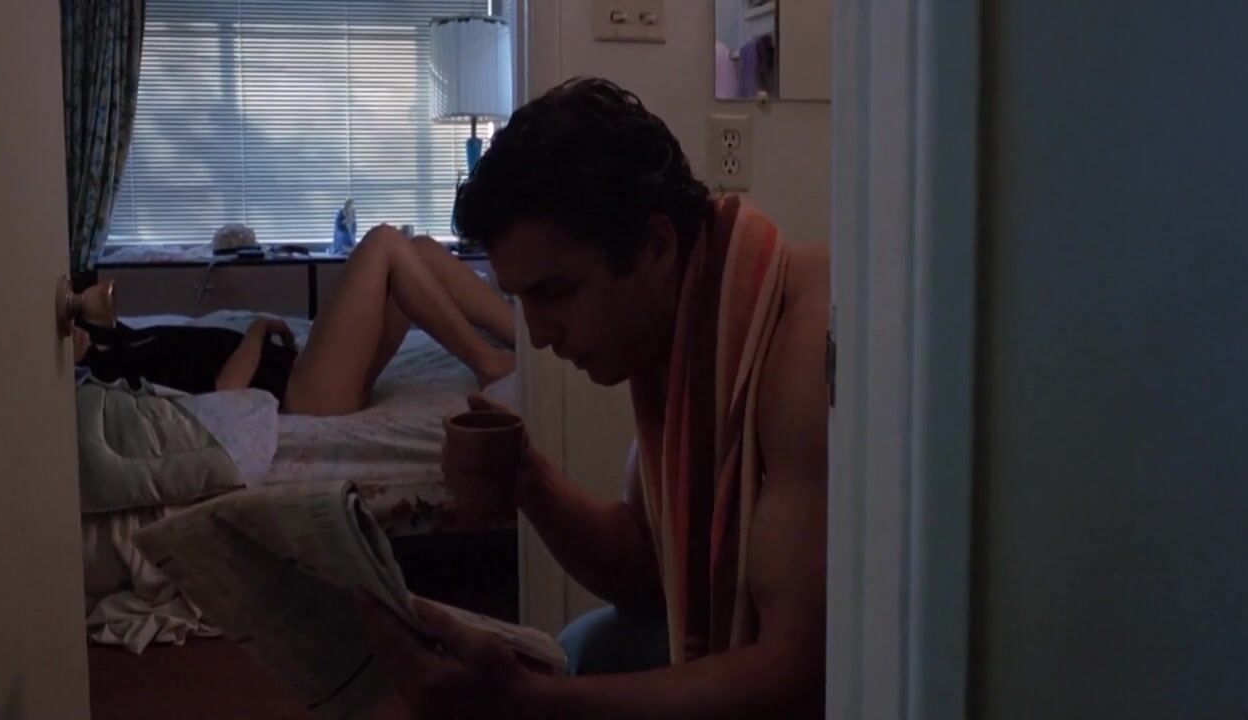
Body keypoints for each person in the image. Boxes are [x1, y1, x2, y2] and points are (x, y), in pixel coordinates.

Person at [357, 77, 830, 718]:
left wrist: (533, 702)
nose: (539, 336)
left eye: (555, 293)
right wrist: (527, 478)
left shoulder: (803, 350)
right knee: (590, 642)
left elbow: (797, 672)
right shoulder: (692, 334)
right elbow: (648, 576)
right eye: (520, 300)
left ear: (656, 245)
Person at [74, 228, 515, 415]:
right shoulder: (117, 373)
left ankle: (523, 338)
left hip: (305, 372)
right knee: (384, 242)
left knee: (419, 249)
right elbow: (228, 393)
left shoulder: (127, 343)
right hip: (304, 393)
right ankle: (486, 363)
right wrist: (259, 329)